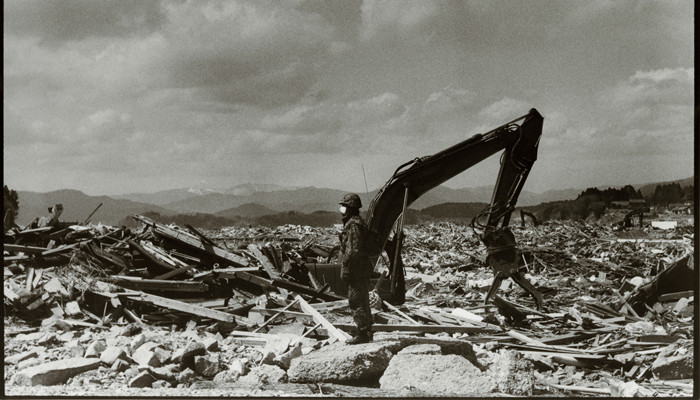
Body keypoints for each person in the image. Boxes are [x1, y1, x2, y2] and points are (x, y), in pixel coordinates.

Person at [338, 193, 374, 344]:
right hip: (361, 268)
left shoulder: (353, 224)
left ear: (350, 208)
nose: (341, 209)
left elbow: (353, 250)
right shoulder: (356, 222)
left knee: (355, 300)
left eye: (344, 206)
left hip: (356, 269)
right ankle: (366, 331)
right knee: (362, 300)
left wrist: (346, 268)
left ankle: (363, 333)